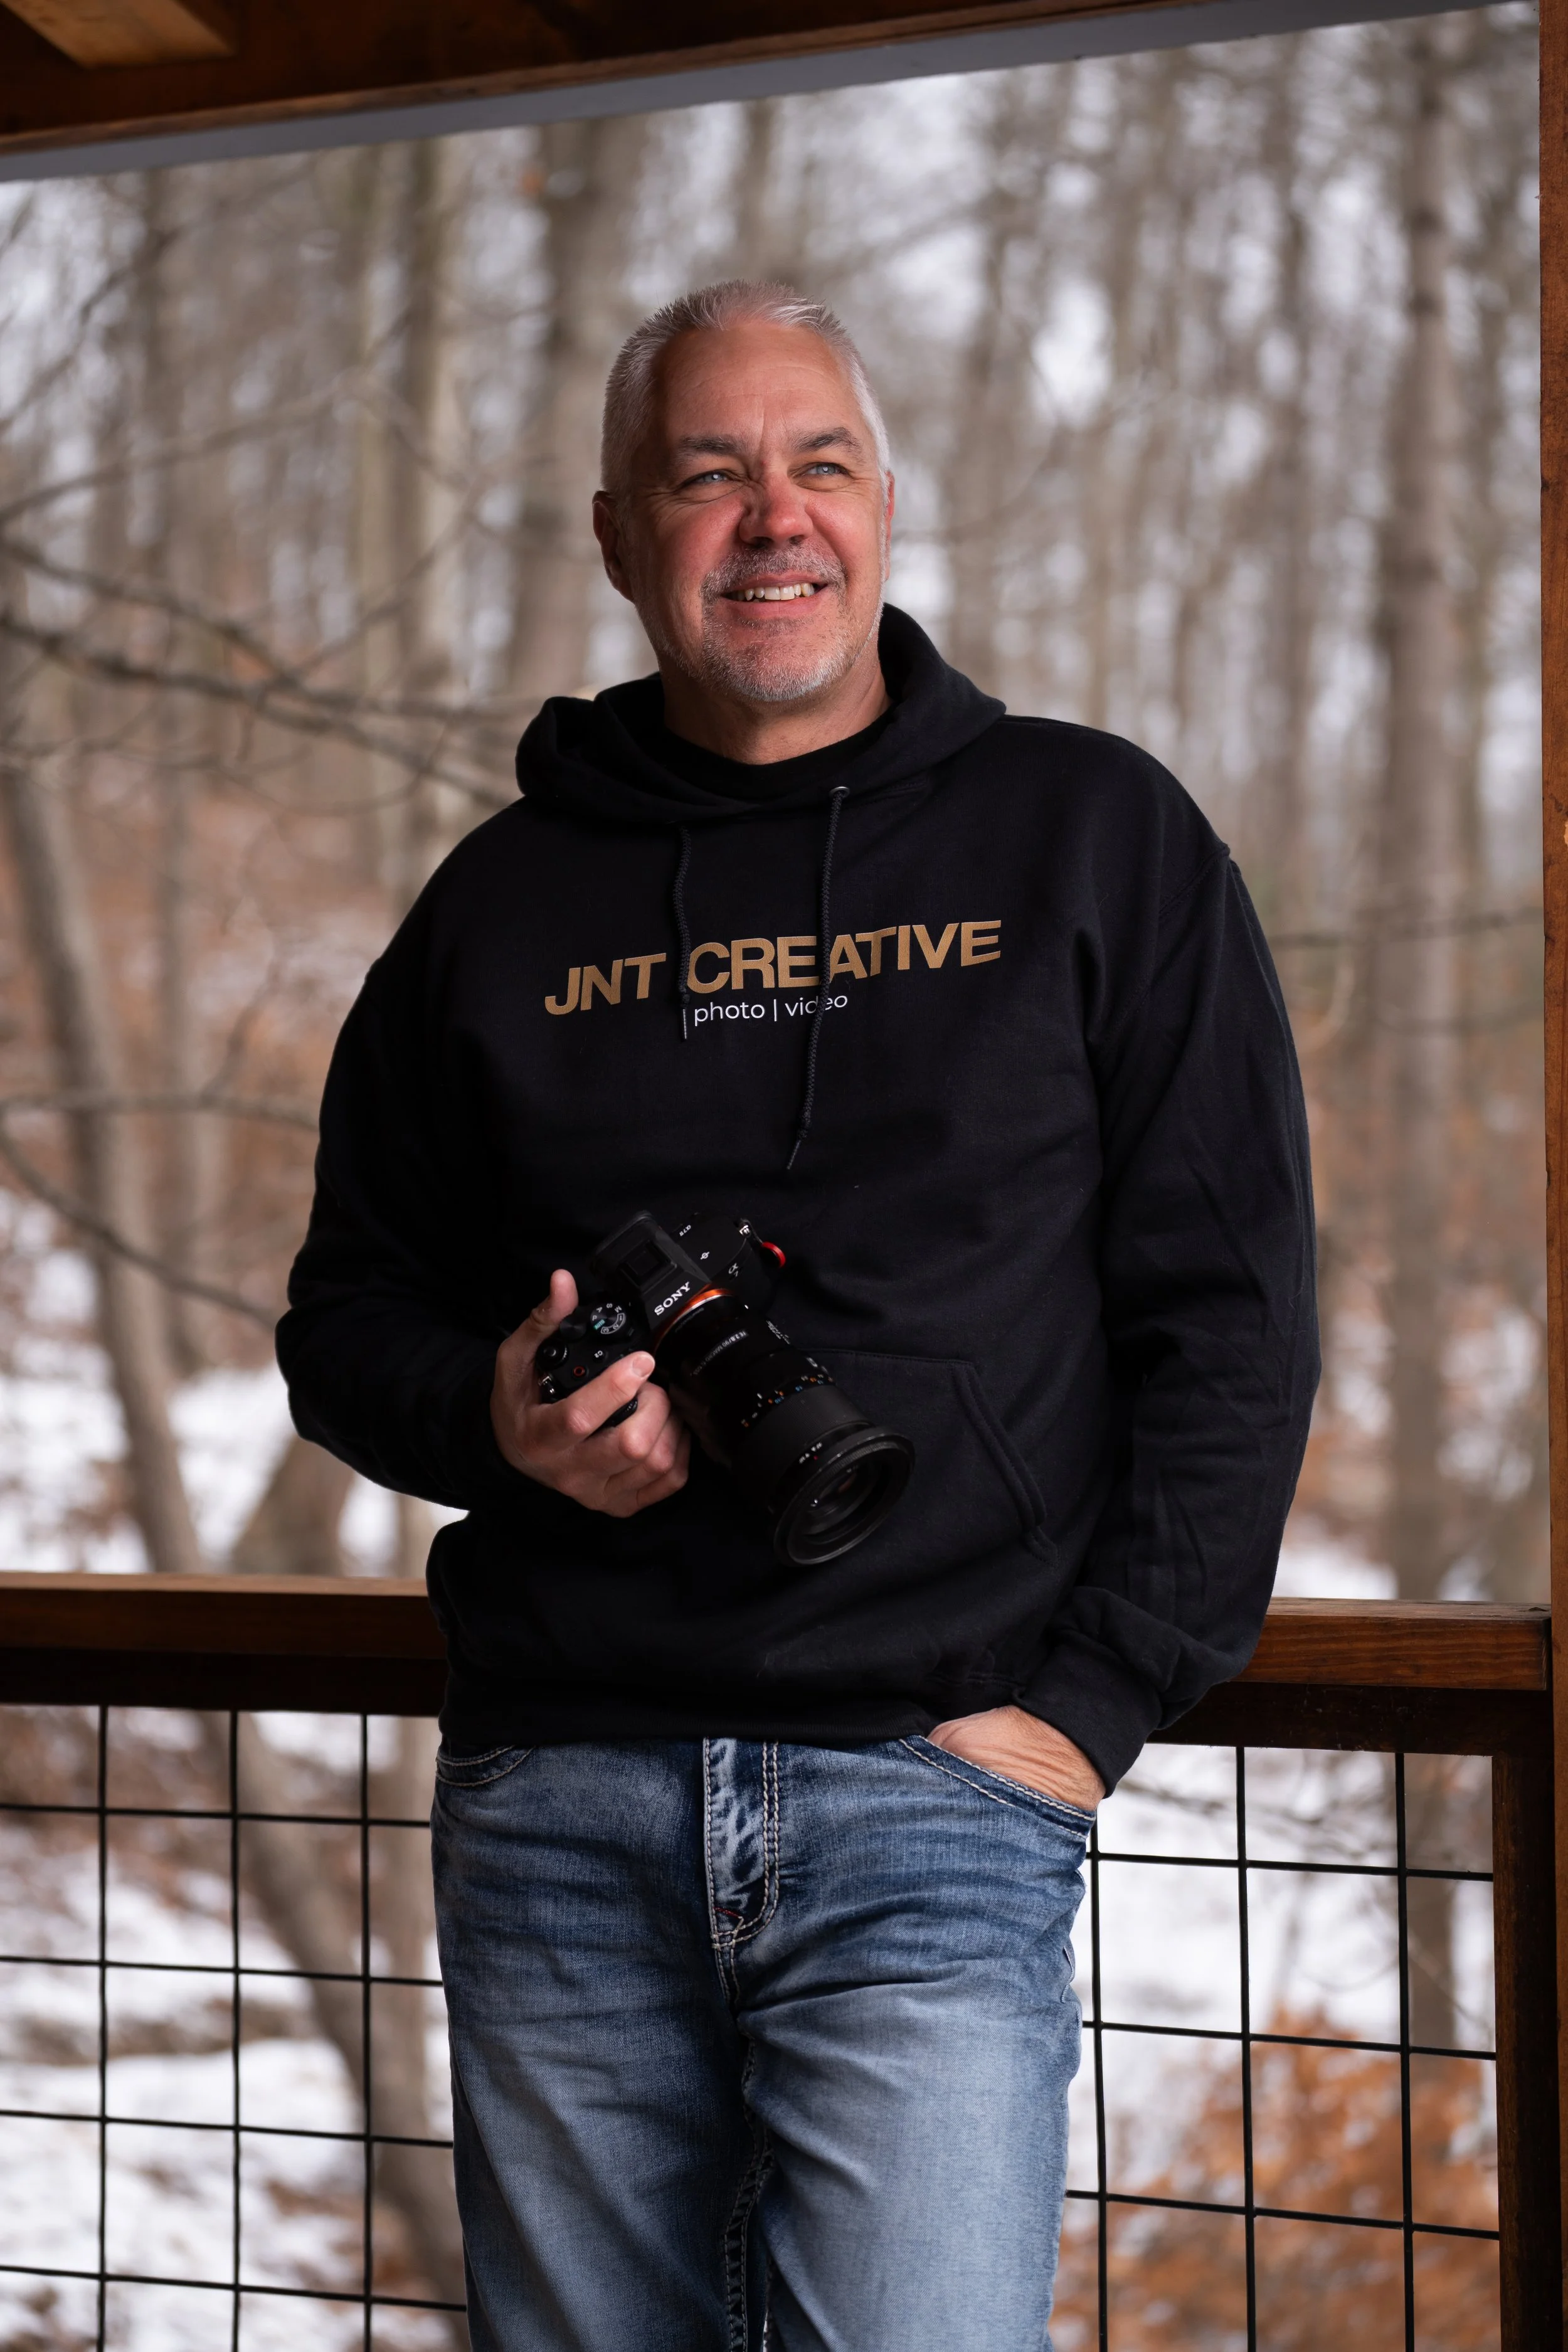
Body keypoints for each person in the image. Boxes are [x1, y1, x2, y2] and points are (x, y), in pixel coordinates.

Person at [278, 278, 1318, 2352]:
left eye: (816, 464)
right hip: (562, 1797)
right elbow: (343, 1317)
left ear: (885, 505)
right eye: (708, 474)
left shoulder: (1091, 835)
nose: (774, 519)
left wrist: (1088, 1705)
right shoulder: (498, 903)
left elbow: (1237, 1310)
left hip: (937, 1792)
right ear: (613, 536)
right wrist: (498, 1417)